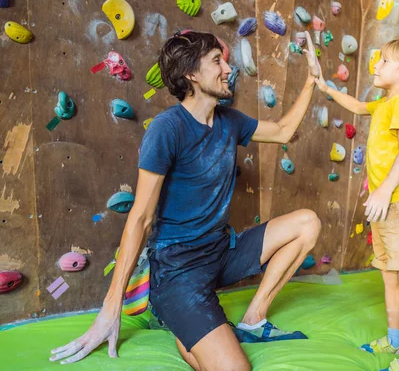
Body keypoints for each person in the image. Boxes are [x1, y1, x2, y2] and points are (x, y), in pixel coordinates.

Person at [50, 30, 323, 371]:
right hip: (179, 271)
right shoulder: (167, 129)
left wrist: (312, 80)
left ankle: (253, 318)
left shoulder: (230, 121)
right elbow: (140, 219)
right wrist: (111, 308)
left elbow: (283, 131)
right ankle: (178, 318)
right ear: (191, 74)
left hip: (222, 253)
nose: (228, 69)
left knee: (307, 222)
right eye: (217, 62)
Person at [314, 38, 399, 371]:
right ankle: (397, 340)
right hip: (386, 206)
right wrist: (323, 85)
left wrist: (382, 191)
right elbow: (355, 106)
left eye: (384, 61)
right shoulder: (384, 103)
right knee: (389, 276)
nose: (376, 66)